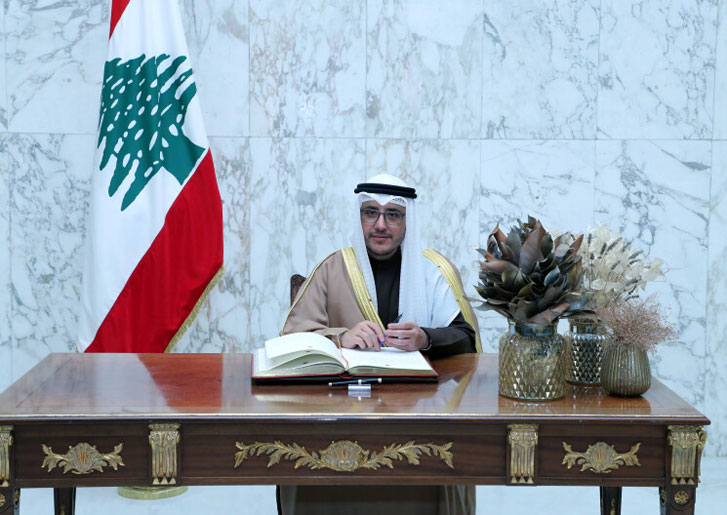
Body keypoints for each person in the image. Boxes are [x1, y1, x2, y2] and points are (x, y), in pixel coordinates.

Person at [277, 174, 481, 515]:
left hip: (416, 420)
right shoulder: (332, 268)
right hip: (341, 419)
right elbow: (292, 339)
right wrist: (340, 337)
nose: (381, 224)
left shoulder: (432, 270)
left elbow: (466, 337)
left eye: (393, 214)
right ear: (359, 217)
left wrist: (425, 337)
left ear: (407, 220)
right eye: (370, 212)